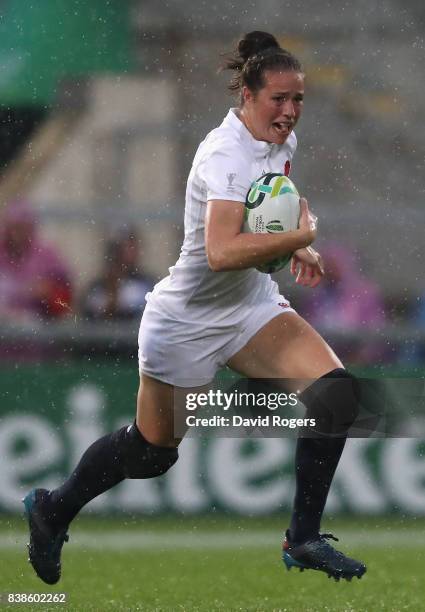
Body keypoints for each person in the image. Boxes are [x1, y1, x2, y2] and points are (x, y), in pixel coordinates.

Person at [24, 31, 366, 584]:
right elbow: (222, 251)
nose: (290, 110)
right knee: (152, 453)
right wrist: (298, 234)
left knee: (338, 395)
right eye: (279, 98)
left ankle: (302, 537)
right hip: (187, 320)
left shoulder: (281, 142)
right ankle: (52, 509)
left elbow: (266, 213)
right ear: (248, 98)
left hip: (250, 308)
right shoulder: (223, 154)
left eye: (298, 99)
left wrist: (295, 242)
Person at [0, 200, 73, 359]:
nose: (17, 233)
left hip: (36, 354)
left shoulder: (47, 256)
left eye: (22, 227)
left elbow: (67, 306)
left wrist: (51, 295)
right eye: (13, 227)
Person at [298, 242, 388, 363]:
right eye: (326, 266)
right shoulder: (316, 297)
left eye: (335, 266)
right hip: (323, 361)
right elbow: (306, 331)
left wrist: (361, 357)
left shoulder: (365, 295)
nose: (330, 271)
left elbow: (376, 334)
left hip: (359, 362)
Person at [81, 227, 154, 321]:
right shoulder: (98, 286)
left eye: (132, 247)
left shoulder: (145, 284)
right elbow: (89, 316)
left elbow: (144, 316)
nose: (130, 253)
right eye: (124, 248)